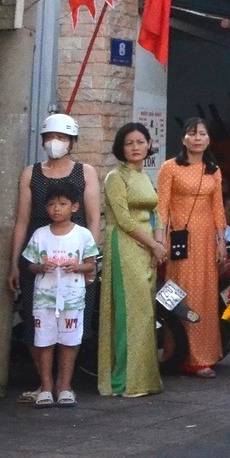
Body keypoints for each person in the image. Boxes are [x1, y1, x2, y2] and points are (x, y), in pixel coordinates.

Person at [6, 114, 101, 374]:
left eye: (61, 137)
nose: (54, 142)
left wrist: (90, 262)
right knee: (35, 320)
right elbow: (22, 221)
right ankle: (44, 382)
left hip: (76, 260)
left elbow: (93, 219)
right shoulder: (31, 173)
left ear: (72, 141)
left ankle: (65, 381)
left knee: (75, 320)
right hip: (39, 258)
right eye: (49, 136)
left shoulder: (86, 172)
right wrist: (16, 263)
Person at [158, 117, 229, 376]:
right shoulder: (170, 168)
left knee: (205, 296)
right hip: (179, 238)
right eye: (192, 133)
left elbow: (218, 208)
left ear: (208, 139)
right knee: (179, 293)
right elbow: (162, 206)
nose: (197, 138)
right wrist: (159, 239)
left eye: (202, 133)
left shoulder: (213, 170)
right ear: (183, 138)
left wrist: (221, 241)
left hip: (205, 240)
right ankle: (176, 354)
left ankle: (203, 357)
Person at [100, 123, 164, 398]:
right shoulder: (116, 177)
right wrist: (153, 244)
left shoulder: (145, 176)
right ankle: (123, 380)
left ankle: (145, 377)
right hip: (126, 246)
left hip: (148, 247)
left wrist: (159, 243)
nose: (136, 147)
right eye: (129, 143)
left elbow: (157, 212)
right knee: (128, 312)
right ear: (121, 148)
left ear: (149, 144)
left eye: (140, 142)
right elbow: (124, 221)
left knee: (146, 313)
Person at [22, 180, 98, 408]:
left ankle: (64, 385)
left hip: (72, 298)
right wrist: (41, 267)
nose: (57, 209)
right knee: (44, 342)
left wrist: (76, 267)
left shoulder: (83, 234)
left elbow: (90, 265)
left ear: (74, 207)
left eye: (63, 204)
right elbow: (30, 265)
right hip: (44, 298)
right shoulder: (40, 234)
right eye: (52, 204)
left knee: (69, 341)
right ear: (45, 208)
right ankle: (46, 386)